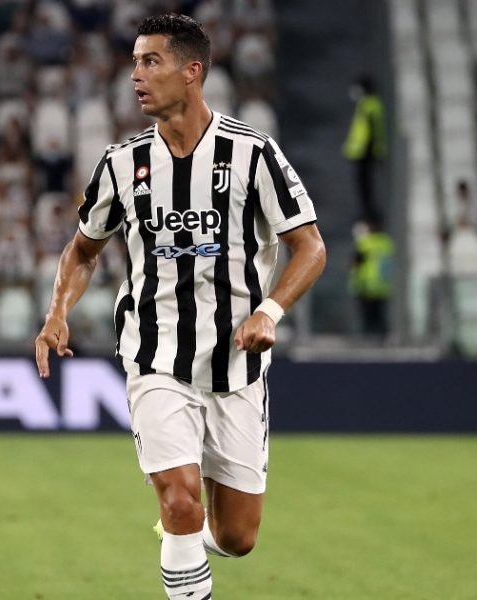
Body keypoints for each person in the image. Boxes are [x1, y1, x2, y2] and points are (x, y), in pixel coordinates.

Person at [35, 13, 326, 599]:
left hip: (236, 366)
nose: (136, 76)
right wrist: (57, 311)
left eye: (151, 62)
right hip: (155, 357)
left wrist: (268, 311)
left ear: (192, 72)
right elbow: (83, 250)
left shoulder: (252, 153)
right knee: (179, 498)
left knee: (237, 536)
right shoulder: (121, 163)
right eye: (135, 62)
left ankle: (184, 535)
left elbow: (311, 247)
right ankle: (181, 531)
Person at [342, 74, 387, 222]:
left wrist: (376, 150)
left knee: (365, 185)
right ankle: (367, 212)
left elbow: (373, 130)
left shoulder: (370, 105)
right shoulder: (366, 104)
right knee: (363, 185)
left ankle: (369, 214)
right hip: (361, 151)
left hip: (365, 151)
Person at [349, 217, 394, 337]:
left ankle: (369, 337)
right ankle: (383, 336)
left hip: (366, 285)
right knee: (381, 314)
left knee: (368, 316)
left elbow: (356, 262)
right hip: (383, 285)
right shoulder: (386, 242)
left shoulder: (365, 243)